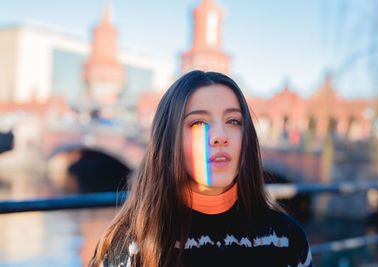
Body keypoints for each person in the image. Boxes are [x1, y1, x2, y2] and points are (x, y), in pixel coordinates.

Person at [89, 70, 313, 267]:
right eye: (198, 123)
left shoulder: (285, 239)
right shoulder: (128, 248)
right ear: (169, 140)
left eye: (233, 121)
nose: (219, 136)